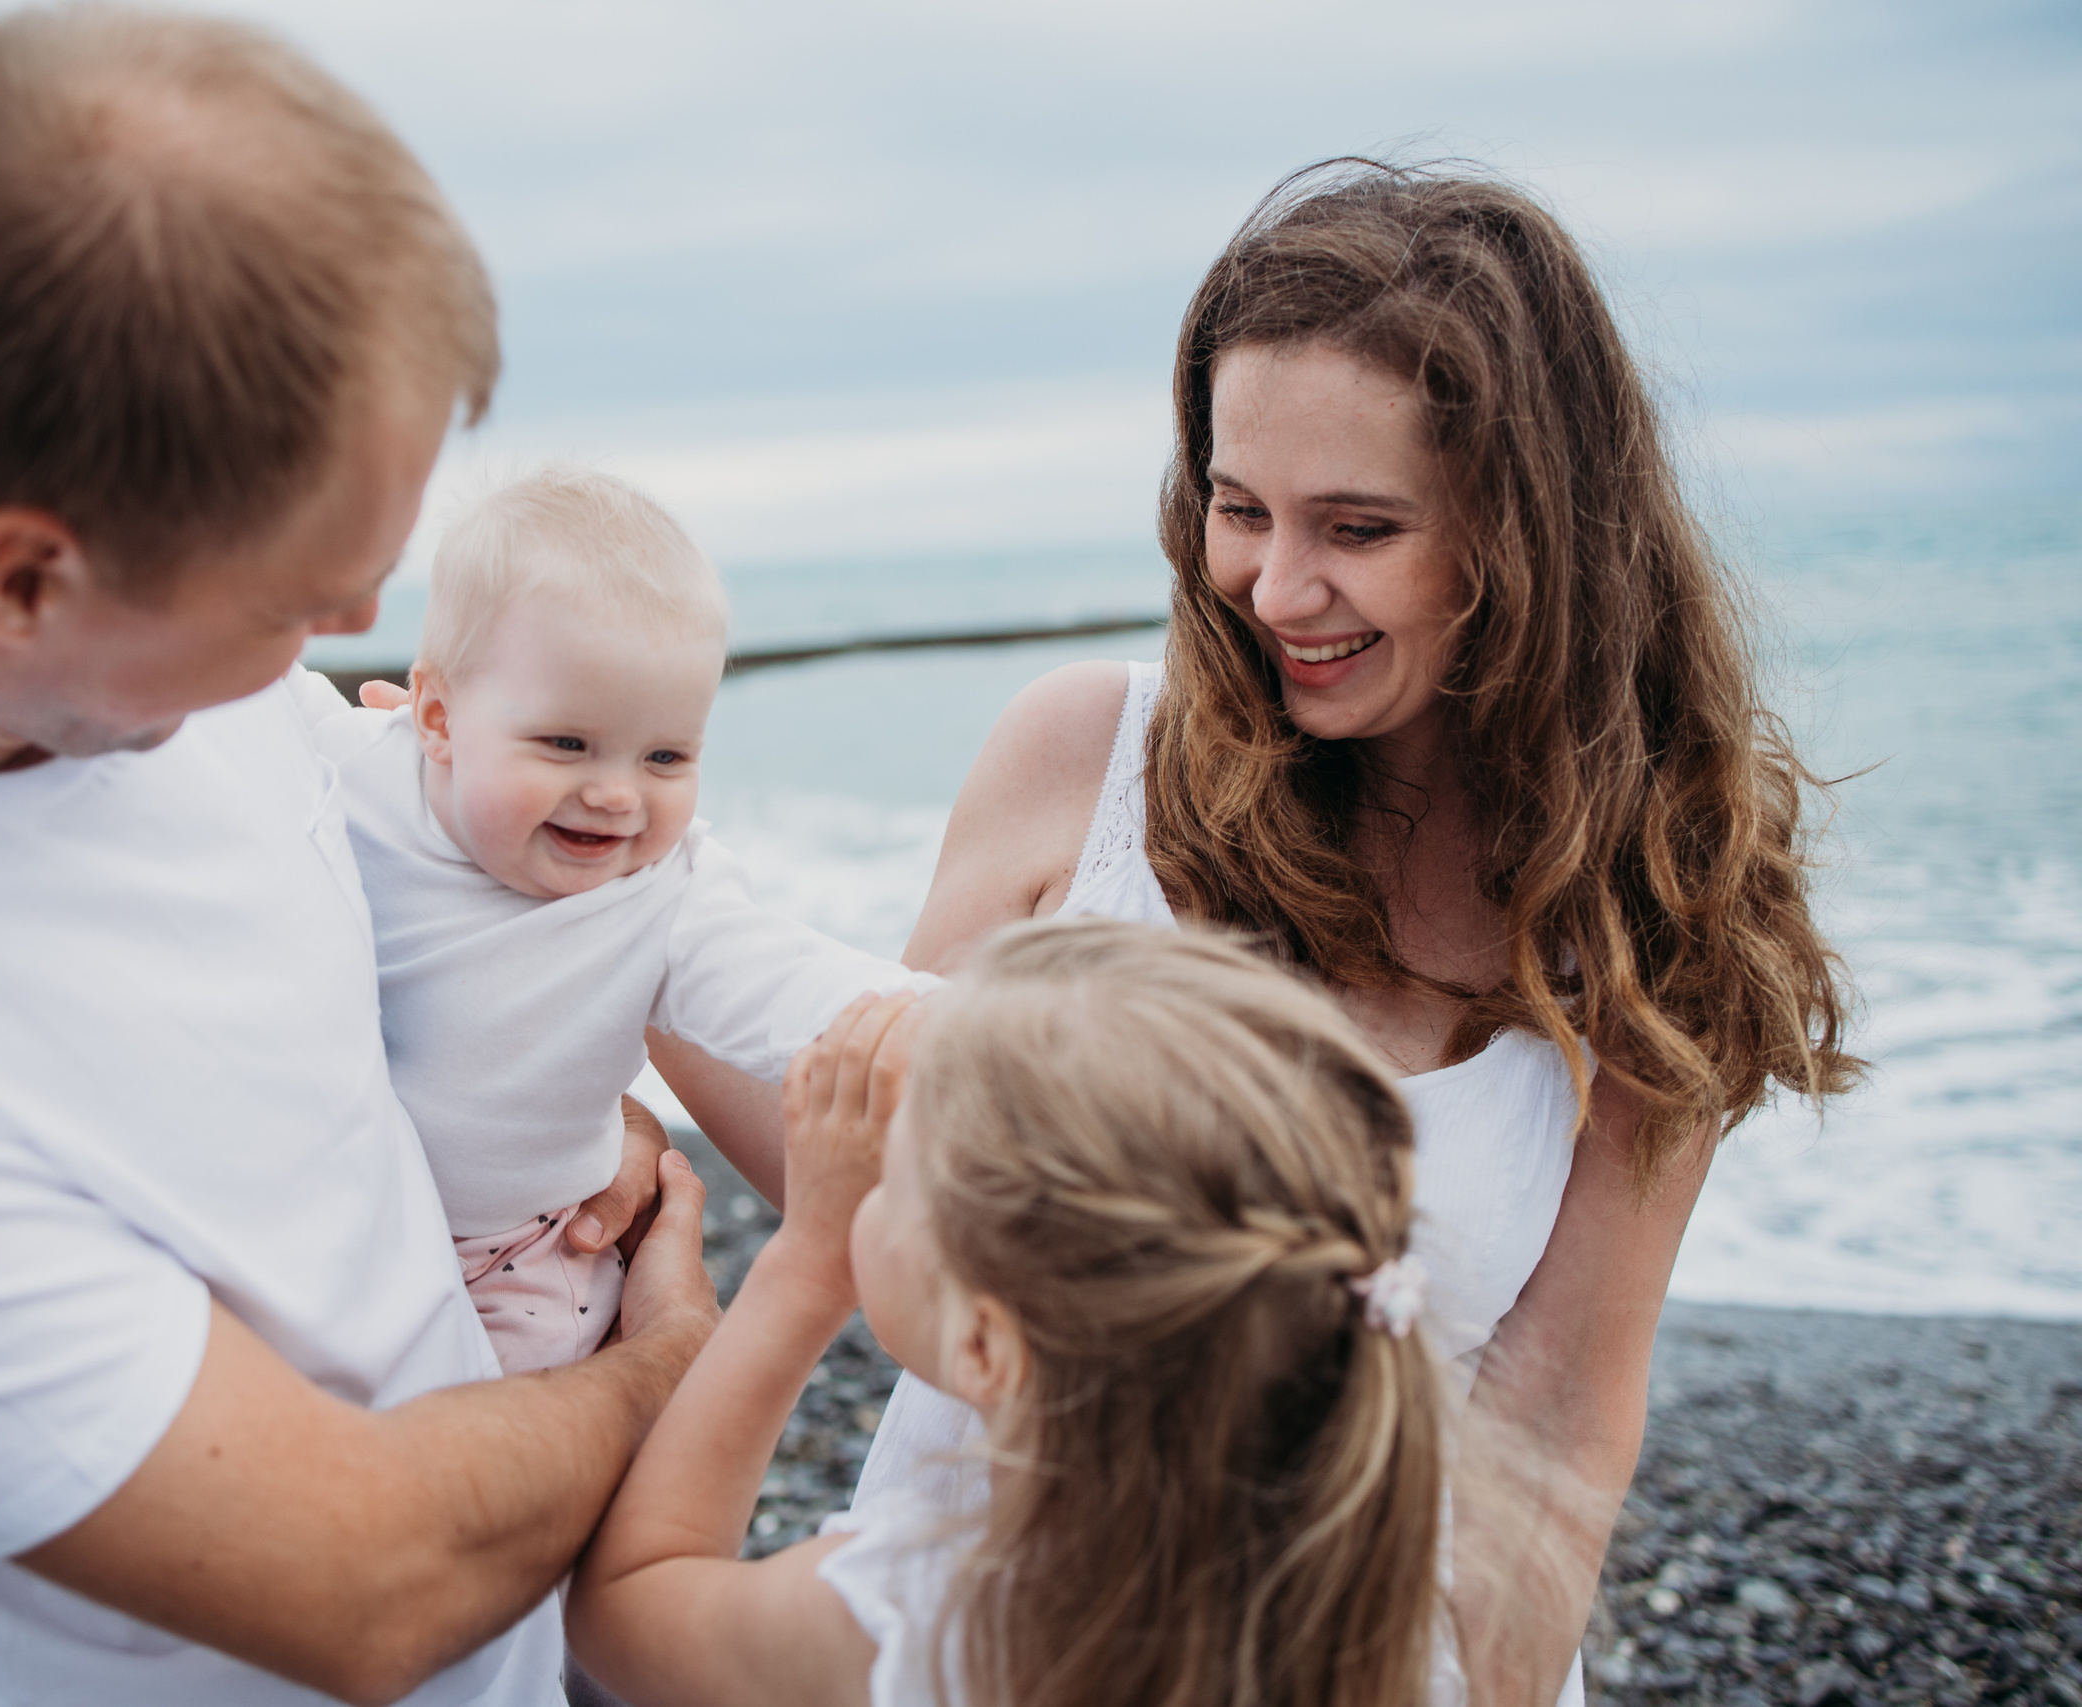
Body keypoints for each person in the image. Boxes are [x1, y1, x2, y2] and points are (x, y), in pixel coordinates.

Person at [0, 12, 720, 1706]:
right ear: (21, 580)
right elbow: (362, 1581)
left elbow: (427, 918)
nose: (354, 637)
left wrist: (583, 1102)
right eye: (299, 593)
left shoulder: (115, 641)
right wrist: (678, 1351)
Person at [655, 160, 1861, 1702]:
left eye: (1357, 526)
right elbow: (888, 1164)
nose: (1274, 588)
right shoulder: (1084, 757)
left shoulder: (1652, 908)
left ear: (1533, 533)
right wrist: (610, 903)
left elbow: (1558, 1422)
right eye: (1237, 506)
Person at [571, 920, 1453, 1707]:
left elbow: (629, 1604)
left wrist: (808, 1258)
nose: (864, 1187)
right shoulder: (1389, 1621)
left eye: (892, 1172)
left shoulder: (936, 1619)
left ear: (986, 1345)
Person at [309, 466, 935, 1373]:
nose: (614, 794)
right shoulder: (349, 765)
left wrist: (972, 1029)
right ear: (439, 716)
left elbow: (799, 983)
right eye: (566, 743)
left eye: (666, 756)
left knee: (508, 1464)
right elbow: (223, 682)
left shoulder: (665, 901)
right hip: (323, 1236)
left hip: (514, 1261)